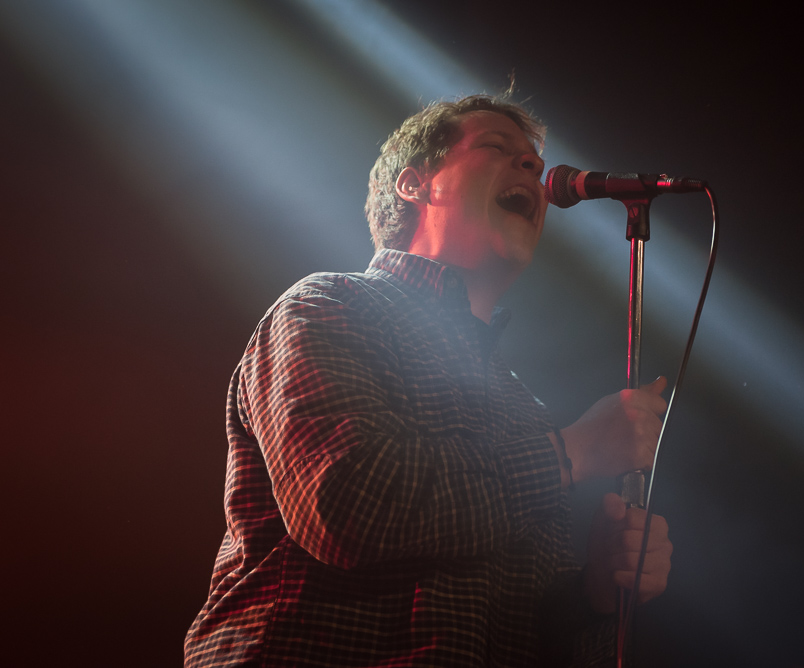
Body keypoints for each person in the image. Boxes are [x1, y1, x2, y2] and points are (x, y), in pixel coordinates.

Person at [184, 93, 672, 667]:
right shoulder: (328, 304)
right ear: (415, 185)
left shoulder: (523, 407)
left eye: (537, 165)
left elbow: (522, 627)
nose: (534, 170)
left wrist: (593, 594)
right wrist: (571, 454)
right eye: (498, 148)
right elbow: (347, 508)